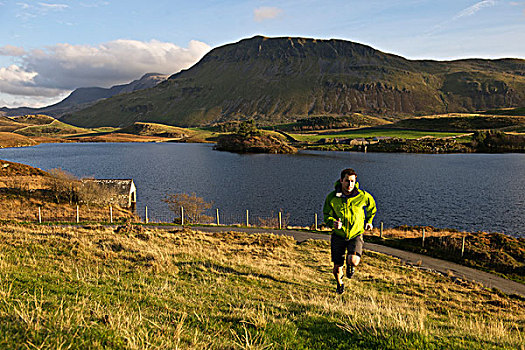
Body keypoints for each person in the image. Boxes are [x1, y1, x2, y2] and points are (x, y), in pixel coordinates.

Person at [323, 168, 377, 294]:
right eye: (347, 181)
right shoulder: (332, 197)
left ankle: (351, 266)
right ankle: (340, 284)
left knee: (353, 260)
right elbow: (326, 214)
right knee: (337, 269)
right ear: (341, 180)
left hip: (355, 234)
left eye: (352, 181)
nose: (350, 184)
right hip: (338, 236)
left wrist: (369, 221)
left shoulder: (362, 196)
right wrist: (332, 223)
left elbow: (372, 208)